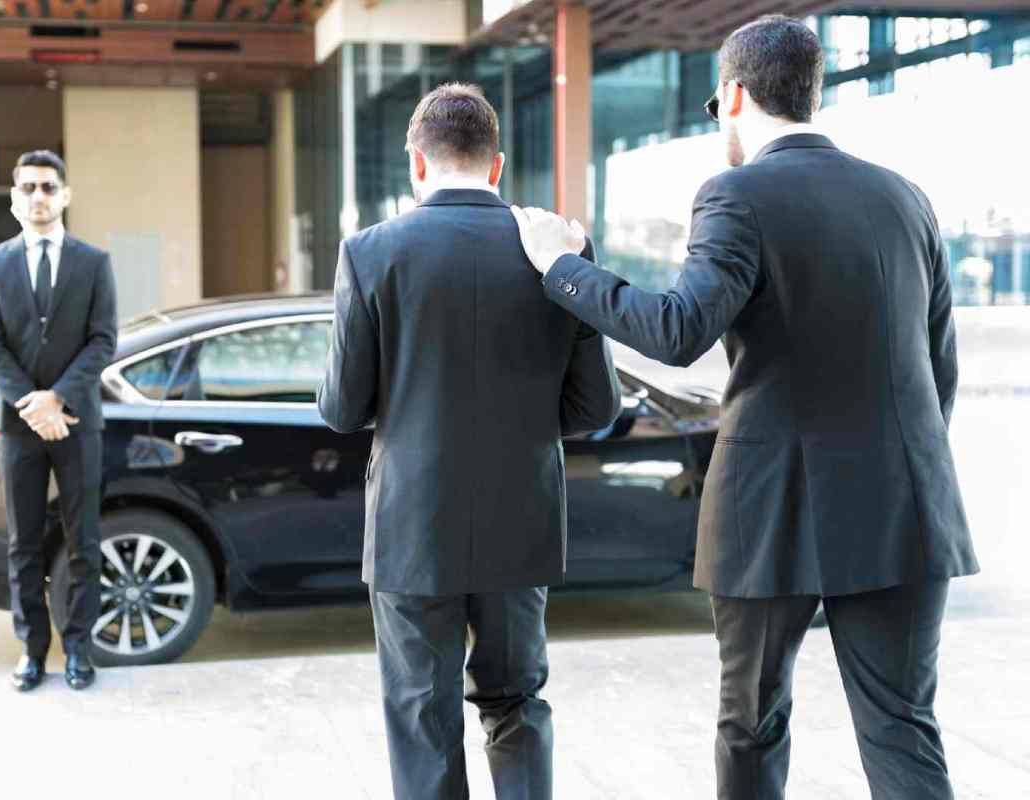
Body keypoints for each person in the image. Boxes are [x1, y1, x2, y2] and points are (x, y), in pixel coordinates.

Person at [511, 15, 978, 800]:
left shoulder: (736, 193)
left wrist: (562, 265)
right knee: (902, 728)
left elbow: (678, 330)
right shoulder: (906, 197)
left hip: (772, 511)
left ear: (732, 95)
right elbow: (940, 368)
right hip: (904, 505)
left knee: (752, 722)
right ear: (811, 92)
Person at [317, 83, 620, 800]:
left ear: (415, 164)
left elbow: (340, 409)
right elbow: (596, 404)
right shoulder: (559, 248)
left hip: (411, 528)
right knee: (516, 702)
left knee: (423, 716)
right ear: (497, 165)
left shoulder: (369, 253)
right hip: (523, 521)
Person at [0, 149, 118, 692]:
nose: (39, 196)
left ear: (65, 196)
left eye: (48, 187)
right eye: (28, 187)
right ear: (14, 199)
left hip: (79, 424)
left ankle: (78, 649)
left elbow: (103, 340)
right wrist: (33, 407)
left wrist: (57, 399)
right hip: (19, 427)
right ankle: (31, 651)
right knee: (24, 544)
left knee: (84, 540)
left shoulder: (93, 262)